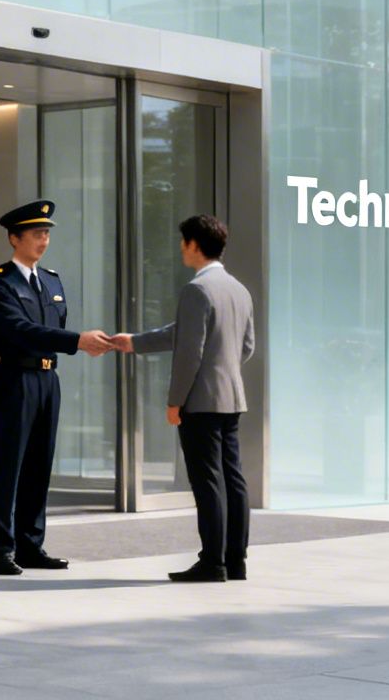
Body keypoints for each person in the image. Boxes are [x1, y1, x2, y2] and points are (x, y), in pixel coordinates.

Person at [0, 199, 116, 576]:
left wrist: (74, 343)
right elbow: (19, 330)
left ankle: (30, 545)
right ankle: (0, 550)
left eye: (47, 234)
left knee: (39, 465)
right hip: (14, 379)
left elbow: (51, 328)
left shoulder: (51, 280)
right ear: (14, 237)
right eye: (37, 233)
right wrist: (77, 341)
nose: (44, 240)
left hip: (47, 379)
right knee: (8, 466)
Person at [115, 214, 255, 583]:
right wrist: (135, 342)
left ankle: (212, 562)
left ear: (195, 245)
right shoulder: (238, 289)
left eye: (183, 242)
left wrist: (175, 401)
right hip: (231, 398)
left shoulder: (196, 291)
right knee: (233, 479)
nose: (180, 248)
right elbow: (245, 346)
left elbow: (190, 352)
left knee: (208, 481)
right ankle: (234, 560)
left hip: (201, 402)